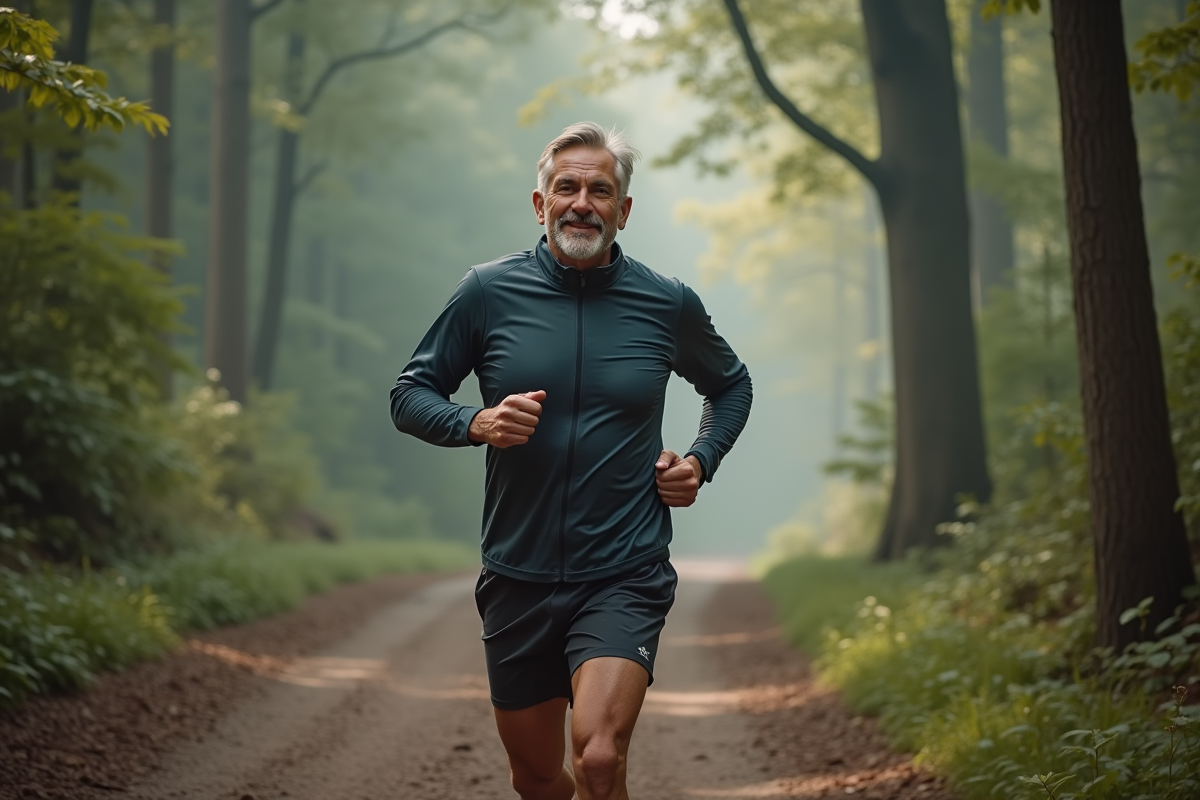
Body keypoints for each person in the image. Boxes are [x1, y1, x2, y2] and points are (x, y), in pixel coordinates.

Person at [390, 121, 752, 800]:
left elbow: (730, 384)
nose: (583, 201)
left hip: (624, 569)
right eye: (567, 186)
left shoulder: (666, 303)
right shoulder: (487, 292)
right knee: (535, 776)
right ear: (540, 203)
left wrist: (701, 460)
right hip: (516, 572)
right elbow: (410, 394)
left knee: (598, 758)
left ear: (623, 210)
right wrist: (475, 422)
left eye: (600, 189)